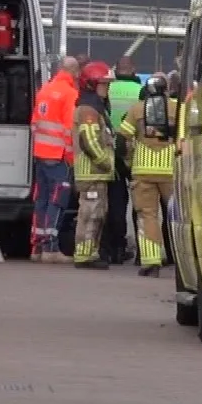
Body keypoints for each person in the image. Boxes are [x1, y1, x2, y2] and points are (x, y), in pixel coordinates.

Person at [120, 71, 179, 277]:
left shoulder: (137, 109)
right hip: (172, 171)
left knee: (147, 216)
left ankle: (151, 261)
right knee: (178, 217)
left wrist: (129, 161)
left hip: (143, 171)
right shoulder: (177, 108)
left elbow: (123, 139)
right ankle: (182, 262)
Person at [30, 55, 80, 263]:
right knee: (57, 200)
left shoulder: (45, 89)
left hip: (40, 154)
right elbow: (70, 129)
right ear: (75, 72)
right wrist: (71, 157)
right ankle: (51, 247)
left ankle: (38, 247)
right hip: (59, 156)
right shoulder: (70, 94)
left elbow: (34, 124)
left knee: (41, 200)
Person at [71, 61, 116, 269]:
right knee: (90, 213)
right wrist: (105, 162)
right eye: (104, 84)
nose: (107, 89)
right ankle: (84, 254)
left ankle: (91, 252)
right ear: (91, 84)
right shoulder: (88, 109)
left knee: (98, 214)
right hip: (92, 172)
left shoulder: (95, 107)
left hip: (97, 174)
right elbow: (88, 140)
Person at [101, 58, 144, 265]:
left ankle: (116, 249)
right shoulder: (140, 91)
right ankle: (141, 253)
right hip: (134, 151)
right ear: (133, 69)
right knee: (140, 204)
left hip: (112, 149)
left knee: (116, 202)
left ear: (116, 70)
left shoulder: (109, 89)